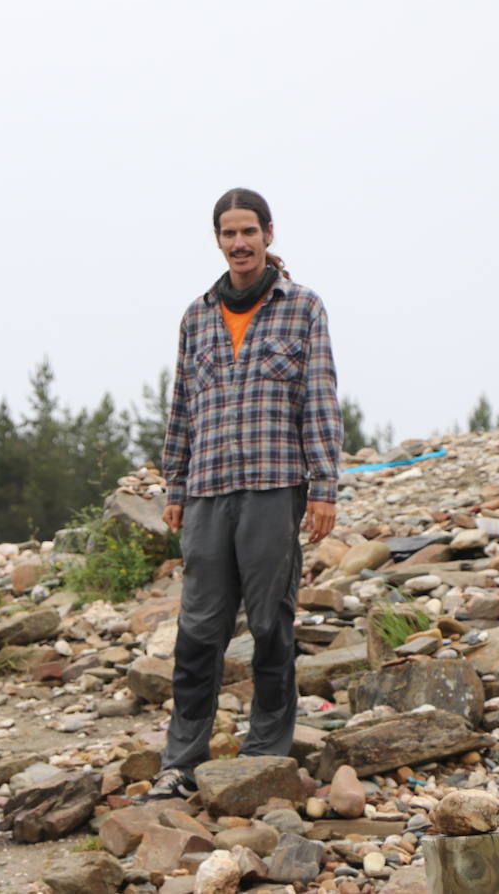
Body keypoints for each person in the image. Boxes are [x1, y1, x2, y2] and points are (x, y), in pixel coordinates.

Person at [146, 187, 342, 800]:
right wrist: (173, 484)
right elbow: (180, 407)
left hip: (273, 486)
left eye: (248, 232)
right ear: (218, 240)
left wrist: (324, 487)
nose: (239, 244)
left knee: (269, 623)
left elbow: (320, 400)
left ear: (269, 234)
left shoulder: (302, 307)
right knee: (198, 629)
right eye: (228, 234)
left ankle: (265, 752)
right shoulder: (197, 315)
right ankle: (181, 761)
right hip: (205, 489)